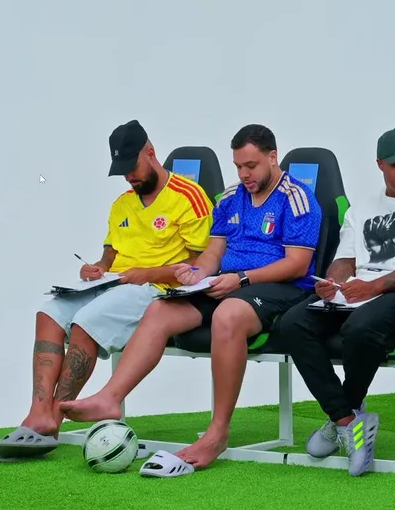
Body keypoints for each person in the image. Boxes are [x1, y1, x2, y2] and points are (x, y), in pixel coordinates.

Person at [59, 124, 322, 475]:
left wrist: (242, 278)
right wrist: (196, 275)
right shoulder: (230, 198)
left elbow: (297, 263)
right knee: (161, 308)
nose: (244, 174)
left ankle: (217, 433)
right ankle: (110, 397)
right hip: (228, 282)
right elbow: (213, 253)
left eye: (251, 166)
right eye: (238, 167)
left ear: (273, 157)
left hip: (281, 286)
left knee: (228, 315)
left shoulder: (297, 196)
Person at [0, 120, 214, 462]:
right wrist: (98, 267)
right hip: (116, 282)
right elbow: (111, 252)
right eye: (123, 171)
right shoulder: (122, 203)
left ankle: (54, 418)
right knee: (49, 311)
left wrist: (147, 273)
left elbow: (201, 265)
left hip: (159, 288)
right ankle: (37, 413)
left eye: (132, 167)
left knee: (87, 320)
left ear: (151, 153)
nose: (129, 177)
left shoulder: (189, 196)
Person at [277, 128, 395, 477]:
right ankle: (346, 419)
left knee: (360, 328)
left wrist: (372, 287)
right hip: (359, 291)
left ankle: (341, 415)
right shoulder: (362, 206)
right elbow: (344, 259)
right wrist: (334, 283)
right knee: (293, 323)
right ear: (380, 165)